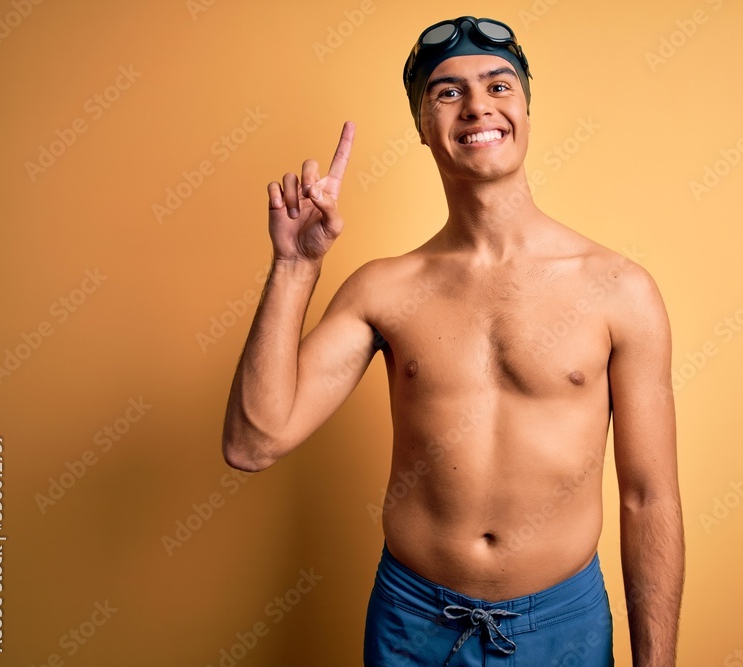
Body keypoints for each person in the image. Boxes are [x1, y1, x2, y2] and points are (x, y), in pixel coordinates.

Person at [222, 15, 684, 666]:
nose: (476, 105)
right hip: (413, 623)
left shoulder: (617, 289)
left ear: (525, 107)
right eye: (447, 92)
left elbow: (649, 497)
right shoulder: (383, 290)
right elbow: (253, 440)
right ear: (421, 126)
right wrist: (295, 269)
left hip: (563, 626)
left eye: (499, 85)